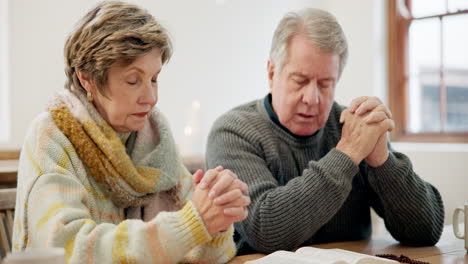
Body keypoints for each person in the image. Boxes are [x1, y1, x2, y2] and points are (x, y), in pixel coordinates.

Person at [12, 1, 250, 263]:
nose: (151, 97)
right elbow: (69, 251)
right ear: (87, 78)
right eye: (133, 80)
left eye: (154, 78)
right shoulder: (51, 137)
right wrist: (192, 224)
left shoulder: (154, 140)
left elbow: (211, 254)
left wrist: (217, 217)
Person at [204, 8, 444, 255]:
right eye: (300, 81)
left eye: (325, 84)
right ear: (272, 72)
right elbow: (267, 230)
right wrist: (348, 153)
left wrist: (383, 162)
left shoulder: (349, 127)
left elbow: (427, 231)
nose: (312, 98)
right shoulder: (232, 132)